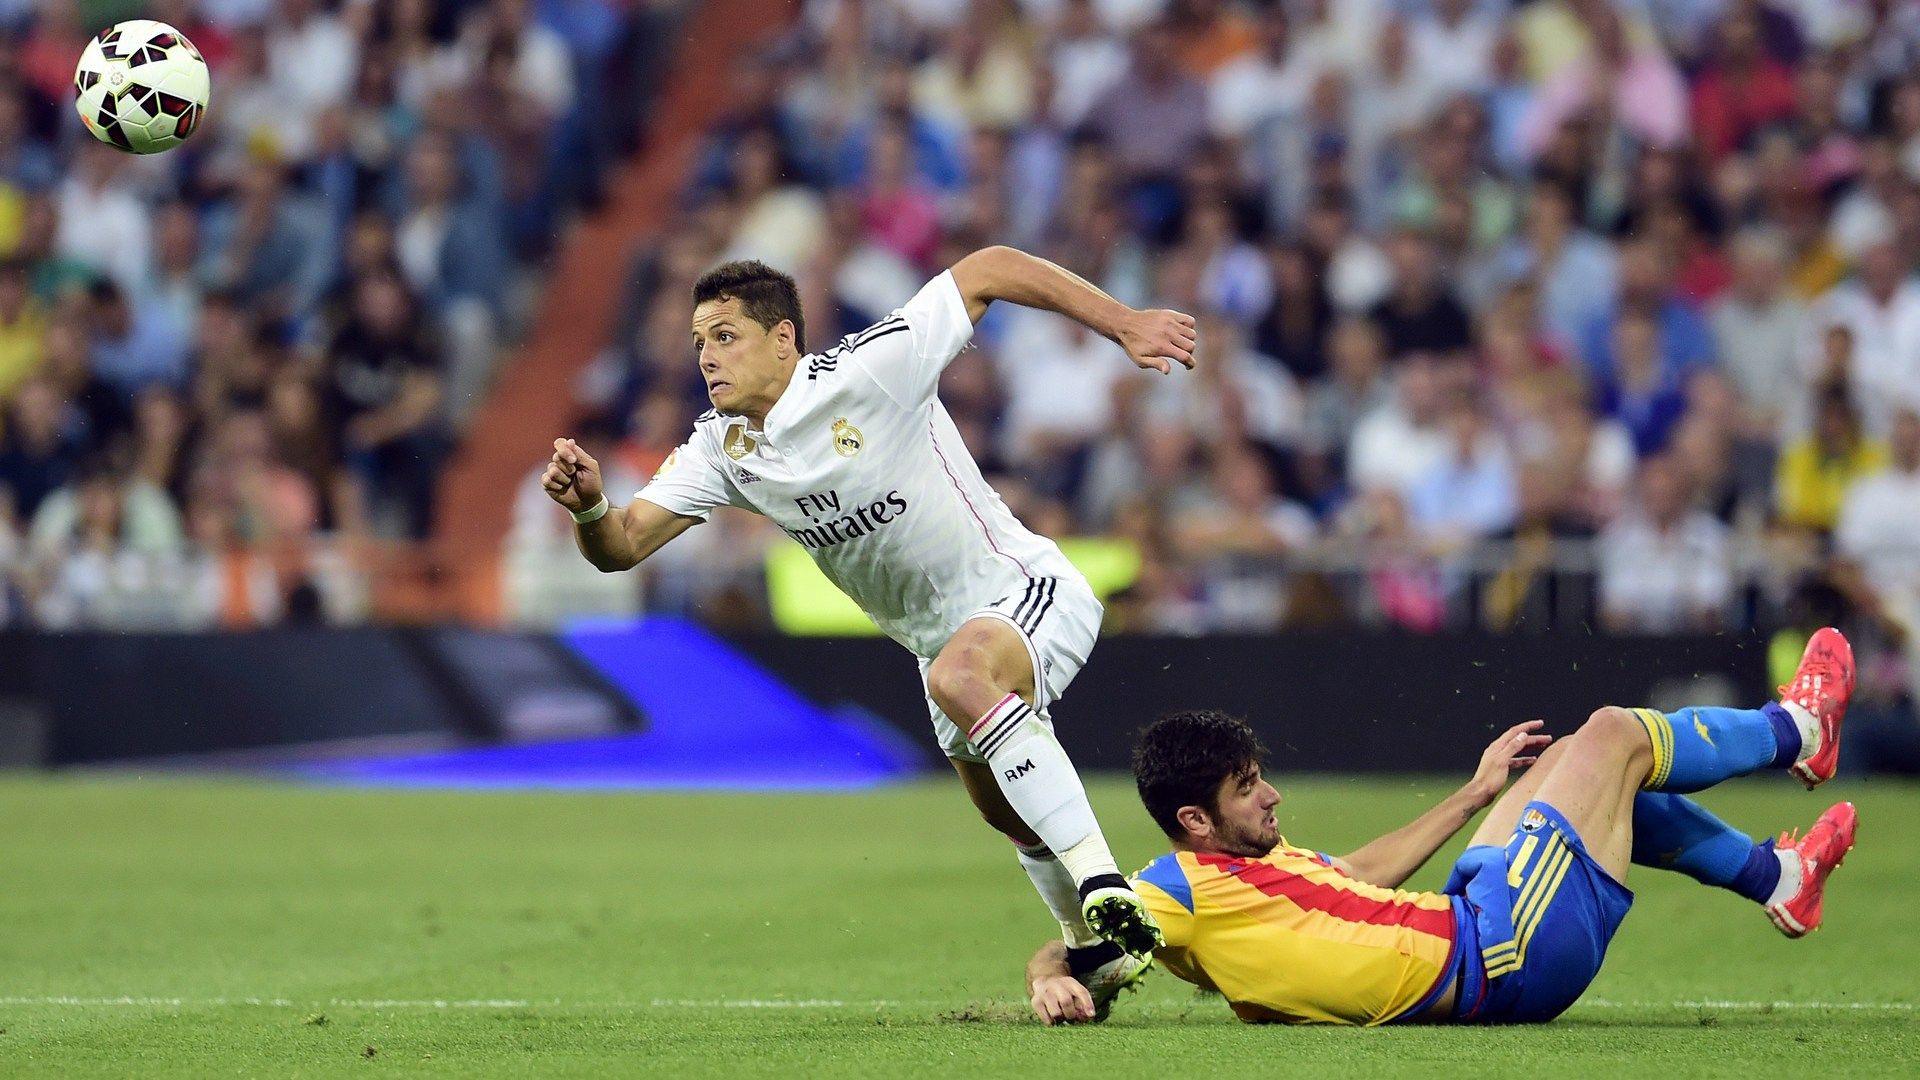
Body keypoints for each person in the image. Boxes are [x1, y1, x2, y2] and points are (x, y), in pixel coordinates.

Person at [540, 248, 1197, 999]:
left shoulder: (872, 367)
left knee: (962, 678)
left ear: (784, 338)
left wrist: (1125, 323)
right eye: (698, 343)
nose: (706, 358)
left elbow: (986, 269)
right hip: (938, 649)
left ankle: (1103, 882)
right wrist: (590, 505)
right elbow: (620, 547)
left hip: (1026, 589)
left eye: (724, 336)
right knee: (1005, 810)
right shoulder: (724, 450)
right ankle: (1096, 950)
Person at [1026, 629, 1859, 1025]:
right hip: (1504, 953)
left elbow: (1356, 874)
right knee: (1611, 735)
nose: (1272, 795)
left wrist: (1473, 794)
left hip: (1477, 917)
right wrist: (1049, 981)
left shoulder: (1256, 878)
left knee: (1571, 758)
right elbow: (1078, 948)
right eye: (1249, 789)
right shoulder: (1174, 889)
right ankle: (1797, 731)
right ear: (1194, 820)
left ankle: (1776, 880)